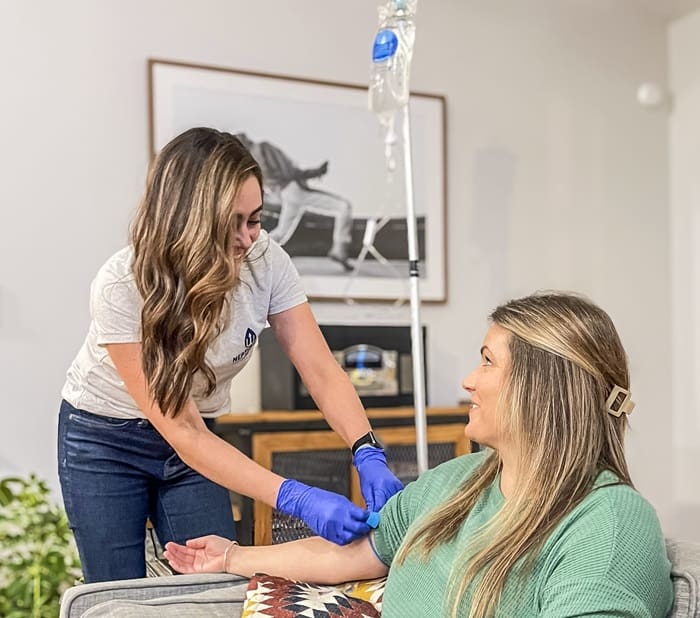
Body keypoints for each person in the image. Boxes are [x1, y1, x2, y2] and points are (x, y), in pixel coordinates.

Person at [165, 292, 674, 617]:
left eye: (487, 363)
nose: (468, 381)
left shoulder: (607, 524)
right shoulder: (463, 480)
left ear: (540, 389)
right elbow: (357, 554)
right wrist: (231, 557)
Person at [57, 127, 402, 583]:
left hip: (200, 435)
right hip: (104, 441)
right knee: (122, 593)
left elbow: (318, 368)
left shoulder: (266, 261)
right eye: (231, 223)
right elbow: (182, 431)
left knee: (216, 581)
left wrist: (366, 449)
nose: (246, 238)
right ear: (185, 219)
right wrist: (297, 498)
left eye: (255, 219)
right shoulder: (123, 286)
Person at [236, 133, 354, 271]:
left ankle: (250, 254)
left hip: (288, 193)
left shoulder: (252, 159)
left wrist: (315, 172)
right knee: (343, 206)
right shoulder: (261, 148)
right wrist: (314, 173)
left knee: (281, 233)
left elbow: (281, 175)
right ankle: (340, 249)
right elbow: (288, 173)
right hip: (293, 190)